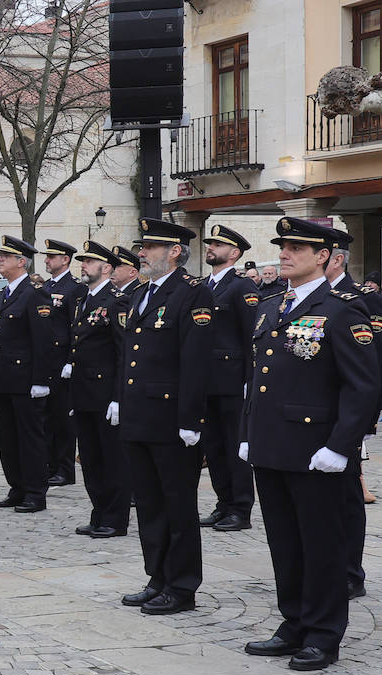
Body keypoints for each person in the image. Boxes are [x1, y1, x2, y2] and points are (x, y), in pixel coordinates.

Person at [240, 217, 379, 671]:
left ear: (323, 256)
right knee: (285, 543)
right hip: (272, 446)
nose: (284, 253)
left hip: (316, 451)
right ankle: (293, 622)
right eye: (283, 246)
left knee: (322, 546)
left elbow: (362, 387)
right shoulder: (268, 306)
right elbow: (256, 379)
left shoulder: (341, 308)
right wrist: (247, 435)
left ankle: (323, 634)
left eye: (296, 247)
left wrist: (340, 447)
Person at [112, 217, 213, 615]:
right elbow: (129, 356)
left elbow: (195, 362)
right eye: (142, 247)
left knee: (177, 505)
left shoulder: (192, 293)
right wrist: (120, 399)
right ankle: (157, 576)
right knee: (150, 504)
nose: (141, 253)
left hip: (171, 418)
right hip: (140, 414)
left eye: (150, 247)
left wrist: (191, 420)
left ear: (174, 251)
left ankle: (182, 585)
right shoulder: (142, 292)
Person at [323, 231, 382, 599]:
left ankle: (350, 571)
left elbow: (373, 366)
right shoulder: (297, 300)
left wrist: (366, 422)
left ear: (335, 259)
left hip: (344, 417)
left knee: (347, 496)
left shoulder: (362, 300)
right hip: (306, 418)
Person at [196, 225, 260, 533]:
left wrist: (250, 378)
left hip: (233, 381)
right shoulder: (202, 285)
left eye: (217, 244)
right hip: (207, 380)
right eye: (209, 243)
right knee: (214, 446)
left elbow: (252, 337)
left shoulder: (241, 287)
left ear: (234, 253)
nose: (210, 247)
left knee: (235, 447)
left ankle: (241, 507)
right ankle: (223, 502)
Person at [65, 242, 130, 539]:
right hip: (84, 393)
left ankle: (115, 519)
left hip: (105, 395)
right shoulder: (84, 300)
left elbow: (123, 353)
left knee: (111, 460)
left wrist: (118, 397)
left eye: (89, 262)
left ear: (106, 268)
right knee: (90, 459)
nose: (83, 265)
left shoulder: (116, 301)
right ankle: (99, 513)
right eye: (83, 261)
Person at [0, 235, 53, 513]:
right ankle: (17, 486)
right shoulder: (7, 292)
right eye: (0, 255)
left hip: (26, 380)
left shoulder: (35, 292)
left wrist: (40, 380)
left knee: (29, 438)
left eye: (6, 255)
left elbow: (43, 340)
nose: (0, 259)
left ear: (21, 261)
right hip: (3, 378)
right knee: (8, 437)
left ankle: (35, 492)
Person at [41, 239, 86, 486]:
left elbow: (75, 327)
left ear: (65, 259)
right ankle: (50, 464)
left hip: (62, 362)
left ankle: (65, 468)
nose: (47, 260)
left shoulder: (74, 288)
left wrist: (71, 359)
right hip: (47, 361)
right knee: (46, 417)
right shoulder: (46, 287)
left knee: (62, 418)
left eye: (52, 256)